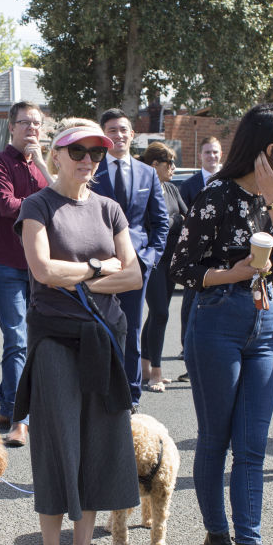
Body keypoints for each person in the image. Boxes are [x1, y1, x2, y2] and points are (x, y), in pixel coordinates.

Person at [170, 103, 273, 545]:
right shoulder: (216, 197)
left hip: (265, 322)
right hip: (216, 319)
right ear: (271, 150)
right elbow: (180, 269)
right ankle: (218, 540)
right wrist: (236, 272)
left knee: (251, 446)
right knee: (214, 440)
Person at [15, 123, 142, 545]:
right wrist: (94, 269)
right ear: (57, 155)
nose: (88, 159)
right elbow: (42, 270)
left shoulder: (109, 208)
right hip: (54, 342)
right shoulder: (38, 206)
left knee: (95, 446)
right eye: (78, 151)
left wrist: (80, 280)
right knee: (55, 446)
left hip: (104, 340)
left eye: (95, 152)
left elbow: (132, 275)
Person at [0, 100, 51, 448]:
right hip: (8, 265)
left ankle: (8, 407)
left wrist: (42, 165)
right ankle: (19, 419)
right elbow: (7, 206)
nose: (32, 129)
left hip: (41, 267)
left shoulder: (42, 168)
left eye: (37, 123)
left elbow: (65, 202)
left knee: (33, 340)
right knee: (17, 339)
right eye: (25, 123)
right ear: (11, 127)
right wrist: (43, 202)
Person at [90, 109, 170, 409]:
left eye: (123, 129)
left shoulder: (147, 173)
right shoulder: (91, 170)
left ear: (132, 134)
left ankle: (131, 396)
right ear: (104, 136)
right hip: (97, 266)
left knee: (132, 330)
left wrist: (148, 259)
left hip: (136, 266)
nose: (119, 135)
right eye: (112, 130)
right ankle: (98, 393)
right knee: (98, 328)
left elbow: (161, 223)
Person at [137, 142, 187, 392]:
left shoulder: (171, 188)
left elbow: (185, 217)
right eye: (170, 163)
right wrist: (175, 219)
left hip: (171, 260)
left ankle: (145, 367)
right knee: (161, 313)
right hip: (152, 260)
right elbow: (152, 223)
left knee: (158, 313)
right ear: (154, 165)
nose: (174, 168)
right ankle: (155, 373)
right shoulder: (143, 189)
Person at [177, 136, 223, 381]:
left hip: (222, 261)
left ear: (221, 154)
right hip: (195, 260)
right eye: (207, 152)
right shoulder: (189, 185)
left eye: (215, 152)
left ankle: (216, 364)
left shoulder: (230, 182)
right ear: (200, 156)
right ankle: (189, 361)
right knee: (190, 309)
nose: (212, 156)